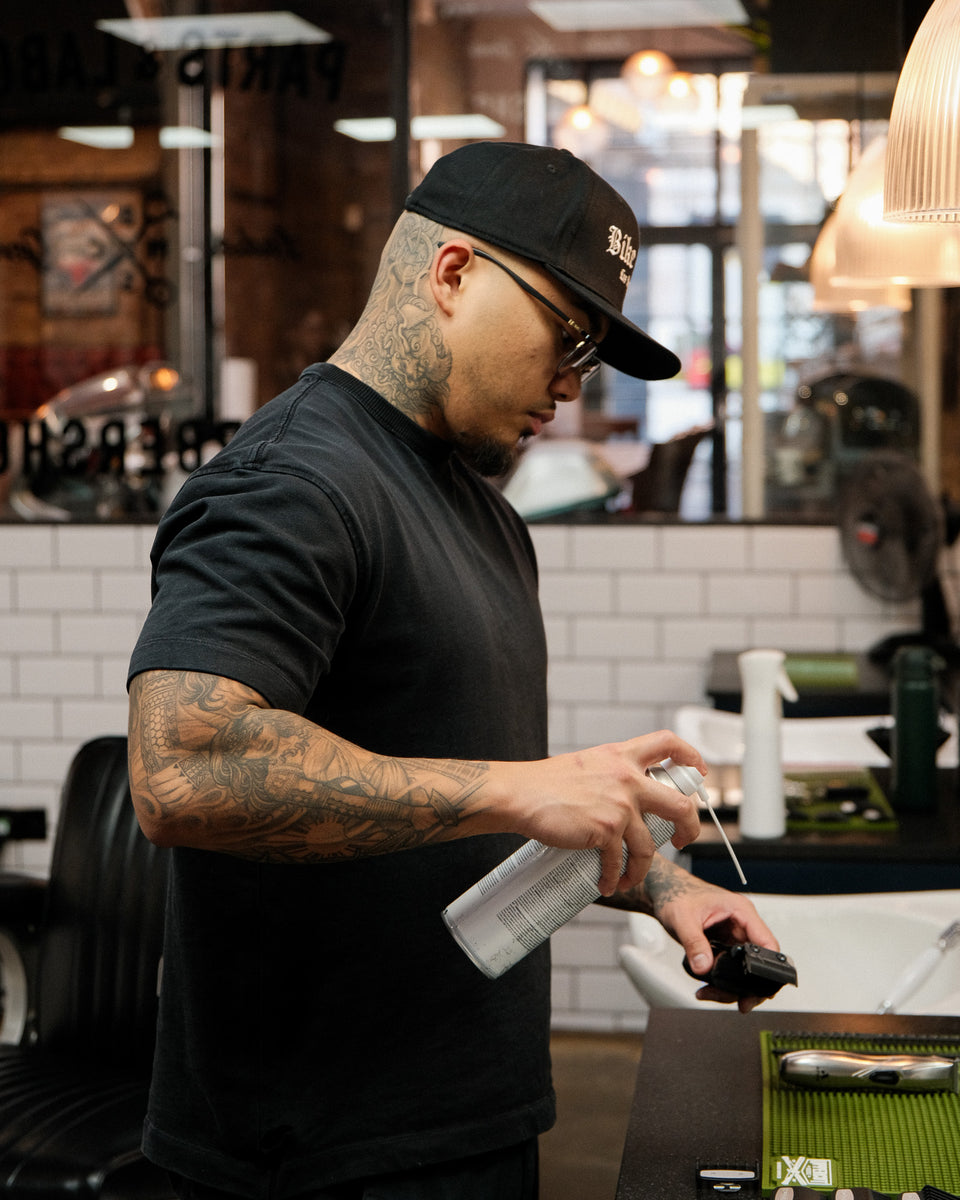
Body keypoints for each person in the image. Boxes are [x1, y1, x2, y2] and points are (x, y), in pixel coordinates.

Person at [127, 141, 778, 1200]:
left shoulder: (480, 507)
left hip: (467, 1115)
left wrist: (662, 881)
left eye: (595, 353)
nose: (573, 383)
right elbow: (181, 769)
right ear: (453, 272)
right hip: (314, 1149)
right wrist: (521, 785)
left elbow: (461, 792)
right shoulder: (292, 481)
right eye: (567, 336)